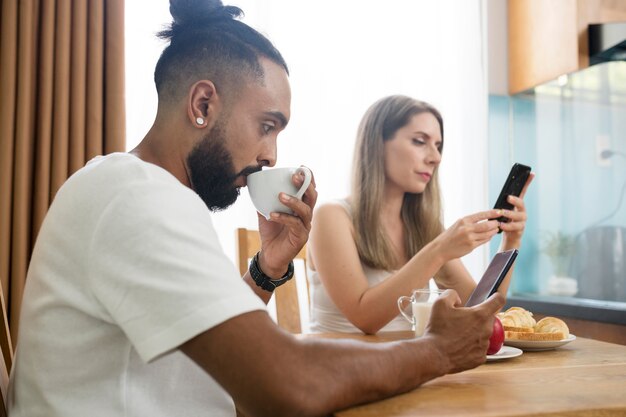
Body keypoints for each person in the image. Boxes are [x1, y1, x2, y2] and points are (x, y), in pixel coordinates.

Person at [8, 2, 505, 417]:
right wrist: (437, 351)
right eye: (267, 125)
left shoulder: (135, 190)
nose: (271, 155)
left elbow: (214, 342)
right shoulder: (134, 195)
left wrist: (268, 269)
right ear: (203, 103)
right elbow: (287, 383)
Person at [308, 95, 533, 334]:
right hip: (340, 364)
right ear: (378, 144)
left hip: (407, 364)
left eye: (438, 146)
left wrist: (510, 241)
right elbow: (365, 318)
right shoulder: (331, 216)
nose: (435, 157)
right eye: (419, 141)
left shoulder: (422, 226)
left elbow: (480, 310)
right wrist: (439, 250)